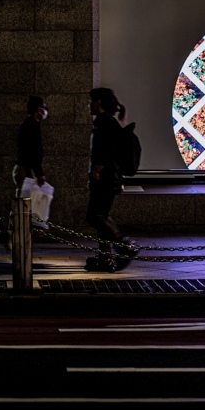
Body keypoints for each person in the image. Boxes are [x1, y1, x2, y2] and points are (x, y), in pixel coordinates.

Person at [85, 87, 138, 273]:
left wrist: (99, 169)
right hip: (108, 179)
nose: (89, 105)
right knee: (101, 215)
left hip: (106, 179)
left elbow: (109, 151)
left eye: (92, 101)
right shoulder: (104, 122)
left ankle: (124, 246)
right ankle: (105, 258)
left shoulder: (106, 122)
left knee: (95, 215)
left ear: (99, 102)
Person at [13, 95, 48, 198]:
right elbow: (30, 152)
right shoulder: (31, 127)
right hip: (26, 170)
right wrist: (36, 173)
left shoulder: (30, 125)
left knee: (24, 204)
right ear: (39, 109)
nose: (46, 111)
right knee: (23, 206)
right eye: (44, 107)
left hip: (26, 169)